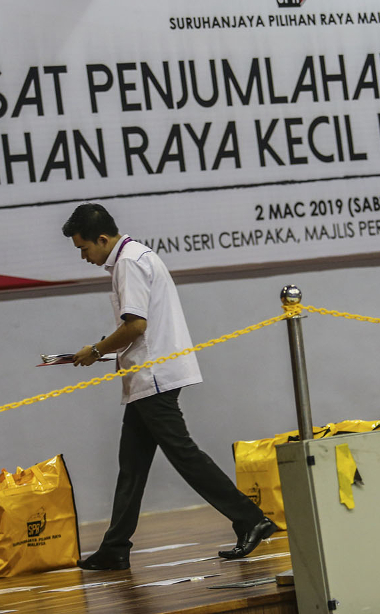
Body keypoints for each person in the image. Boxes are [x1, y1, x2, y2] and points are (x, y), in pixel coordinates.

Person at [62, 203, 277, 570]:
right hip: (150, 373)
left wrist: (95, 349)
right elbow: (138, 326)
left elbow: (136, 326)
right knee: (132, 465)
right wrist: (104, 349)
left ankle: (249, 518)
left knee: (184, 456)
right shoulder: (137, 255)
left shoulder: (128, 262)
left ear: (102, 239)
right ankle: (115, 546)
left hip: (154, 375)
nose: (83, 256)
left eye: (84, 248)